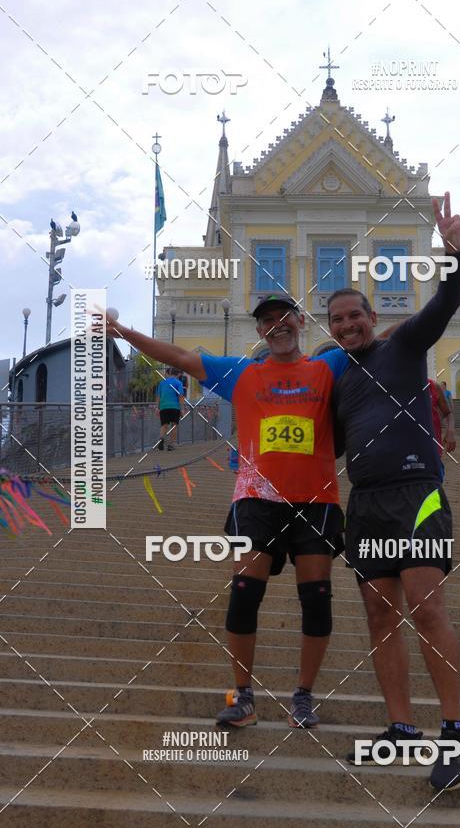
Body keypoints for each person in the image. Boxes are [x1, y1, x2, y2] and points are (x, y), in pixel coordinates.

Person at [103, 296, 348, 731]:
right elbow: (179, 356)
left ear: (301, 323)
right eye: (268, 321)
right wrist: (122, 332)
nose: (277, 326)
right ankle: (244, 698)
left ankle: (304, 697)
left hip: (316, 502)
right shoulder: (243, 373)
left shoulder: (328, 367)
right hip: (256, 500)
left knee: (316, 600)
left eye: (285, 318)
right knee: (243, 595)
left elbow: (387, 344)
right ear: (259, 332)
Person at [327, 192, 460, 791]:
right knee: (378, 613)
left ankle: (454, 733)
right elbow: (324, 445)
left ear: (369, 316)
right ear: (331, 329)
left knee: (425, 603)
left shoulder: (404, 346)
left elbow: (440, 306)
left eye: (355, 316)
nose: (348, 325)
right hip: (366, 504)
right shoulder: (337, 377)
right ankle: (401, 729)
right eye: (337, 321)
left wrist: (452, 255)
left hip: (417, 493)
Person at [156, 367, 185, 451]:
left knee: (164, 425)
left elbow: (158, 396)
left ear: (168, 373)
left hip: (163, 407)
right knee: (174, 425)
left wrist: (157, 408)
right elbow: (181, 396)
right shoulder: (178, 383)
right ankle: (171, 444)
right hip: (174, 407)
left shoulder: (162, 383)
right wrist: (182, 409)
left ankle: (161, 439)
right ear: (177, 374)